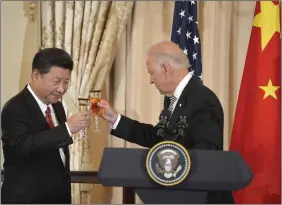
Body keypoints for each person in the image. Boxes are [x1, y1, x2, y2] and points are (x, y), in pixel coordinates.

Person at [97, 41, 234, 203]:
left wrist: (170, 168)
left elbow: (207, 152)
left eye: (151, 73)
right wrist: (115, 119)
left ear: (165, 68)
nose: (151, 80)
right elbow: (160, 140)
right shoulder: (182, 97)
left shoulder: (202, 99)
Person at [1, 48, 89, 204]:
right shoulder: (14, 108)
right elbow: (23, 146)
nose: (62, 89)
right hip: (27, 199)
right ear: (36, 75)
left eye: (66, 82)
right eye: (56, 82)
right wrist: (67, 129)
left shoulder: (57, 106)